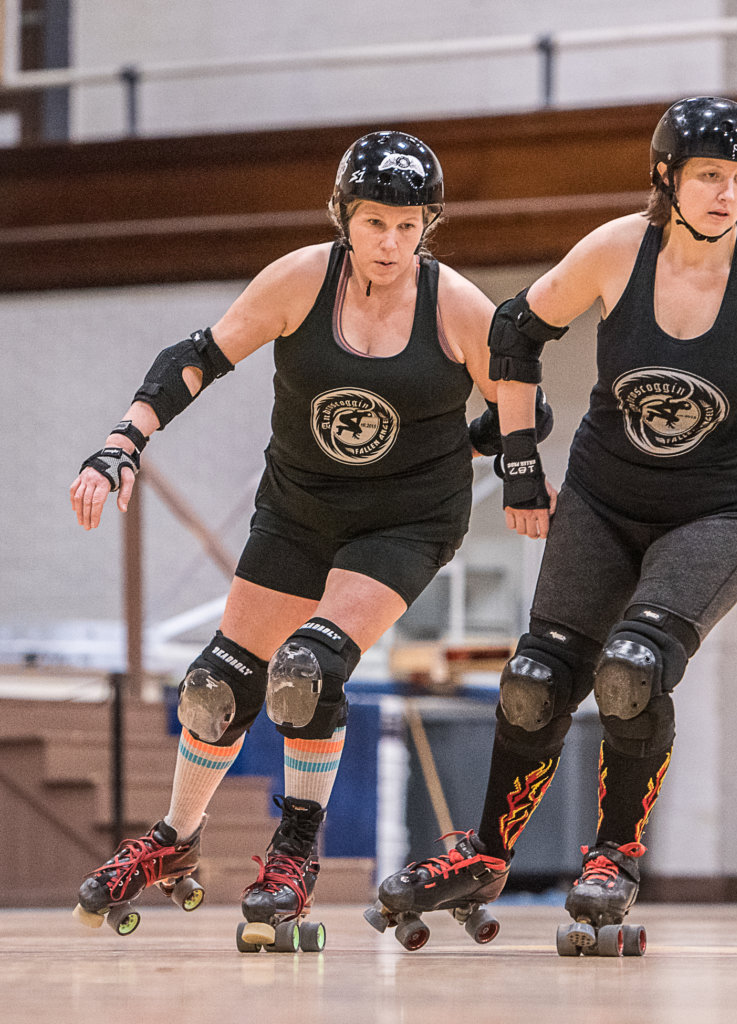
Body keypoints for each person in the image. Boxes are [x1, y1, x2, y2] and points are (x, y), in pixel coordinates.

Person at [372, 97, 737, 952]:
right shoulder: (617, 250)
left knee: (632, 670)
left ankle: (613, 857)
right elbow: (515, 331)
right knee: (535, 679)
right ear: (666, 176)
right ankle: (484, 854)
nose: (726, 194)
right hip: (605, 496)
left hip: (722, 507)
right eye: (709, 175)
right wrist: (519, 461)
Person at [69, 129, 555, 947]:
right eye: (375, 224)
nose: (391, 243)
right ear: (343, 217)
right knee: (216, 685)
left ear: (428, 227)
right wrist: (124, 441)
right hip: (298, 509)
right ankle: (175, 839)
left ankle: (294, 855)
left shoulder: (457, 306)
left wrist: (482, 458)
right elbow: (197, 358)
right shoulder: (301, 280)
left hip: (404, 522)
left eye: (409, 226)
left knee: (309, 667)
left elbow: (526, 409)